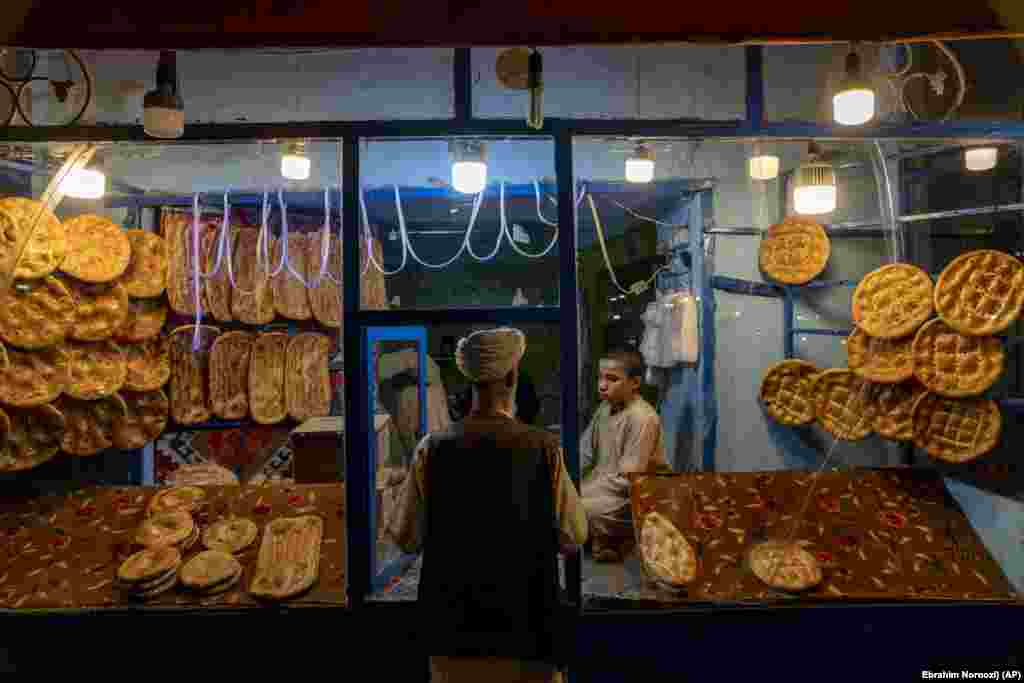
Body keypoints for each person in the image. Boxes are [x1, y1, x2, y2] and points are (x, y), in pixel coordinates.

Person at [388, 327, 588, 683]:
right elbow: (574, 536)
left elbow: (405, 537)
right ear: (512, 375)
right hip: (529, 641)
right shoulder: (543, 447)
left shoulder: (430, 448)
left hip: (454, 642)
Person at [580, 349, 668, 562]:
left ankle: (618, 541)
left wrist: (581, 491)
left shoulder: (642, 418)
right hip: (603, 488)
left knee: (581, 509)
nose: (602, 385)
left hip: (631, 496)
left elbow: (628, 480)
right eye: (600, 378)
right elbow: (583, 453)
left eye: (612, 379)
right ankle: (604, 542)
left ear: (635, 383)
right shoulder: (604, 408)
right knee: (565, 502)